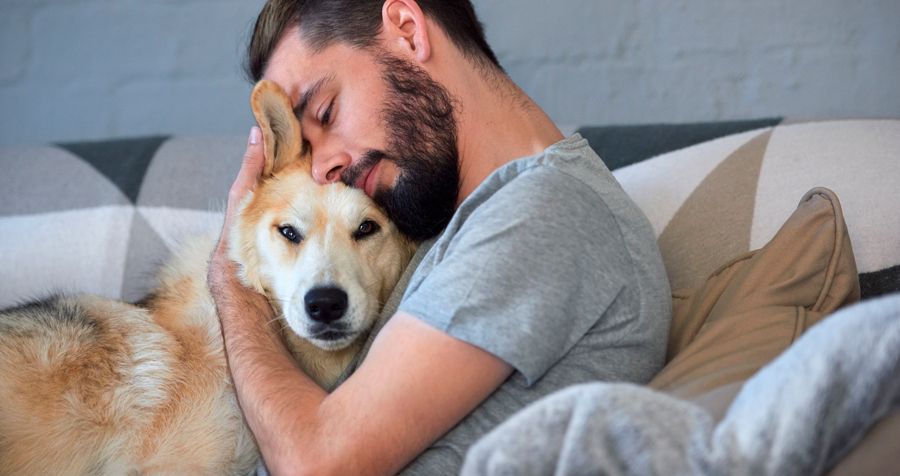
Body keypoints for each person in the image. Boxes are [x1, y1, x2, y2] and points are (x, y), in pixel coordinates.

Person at [207, 0, 672, 474]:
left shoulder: (545, 209)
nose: (323, 167)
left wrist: (229, 271)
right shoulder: (454, 220)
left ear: (408, 30)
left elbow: (316, 464)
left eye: (326, 112)